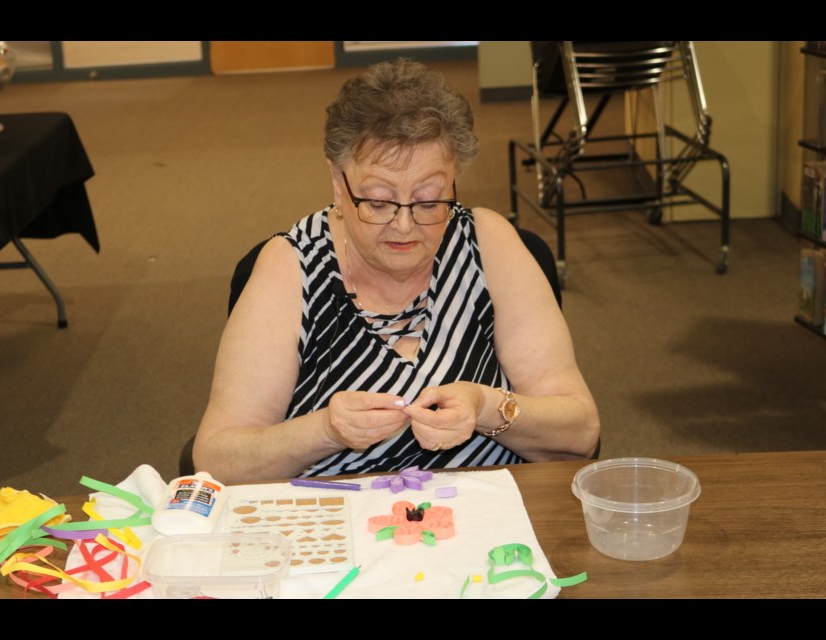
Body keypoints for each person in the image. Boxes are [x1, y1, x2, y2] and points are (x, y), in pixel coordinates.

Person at [193, 58, 599, 484]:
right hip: (338, 525)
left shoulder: (487, 242)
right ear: (337, 181)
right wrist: (326, 431)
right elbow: (216, 458)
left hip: (488, 521)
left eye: (428, 200)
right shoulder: (291, 265)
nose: (404, 226)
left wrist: (486, 407)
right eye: (378, 201)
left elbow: (581, 431)